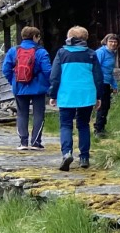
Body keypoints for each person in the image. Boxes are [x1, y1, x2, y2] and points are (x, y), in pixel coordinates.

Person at [49, 26, 104, 171]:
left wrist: (53, 95)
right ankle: (84, 157)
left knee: (66, 125)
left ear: (70, 38)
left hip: (67, 95)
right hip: (86, 95)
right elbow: (98, 78)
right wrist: (98, 96)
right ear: (85, 39)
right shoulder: (91, 54)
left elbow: (55, 76)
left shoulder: (61, 53)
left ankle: (66, 153)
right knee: (84, 125)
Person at [1, 26, 53, 151]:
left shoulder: (13, 51)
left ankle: (23, 142)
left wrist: (13, 81)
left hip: (19, 87)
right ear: (35, 37)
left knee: (22, 114)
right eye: (38, 37)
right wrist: (49, 85)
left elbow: (5, 69)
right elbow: (48, 71)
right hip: (38, 88)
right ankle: (36, 142)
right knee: (38, 114)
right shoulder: (41, 52)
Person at [94, 33, 120, 138]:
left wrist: (114, 85)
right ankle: (98, 130)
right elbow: (96, 68)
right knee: (102, 106)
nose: (113, 44)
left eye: (115, 42)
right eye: (111, 41)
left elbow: (110, 71)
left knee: (106, 106)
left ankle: (102, 128)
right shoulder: (101, 52)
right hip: (100, 83)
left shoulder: (112, 53)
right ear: (106, 42)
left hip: (107, 82)